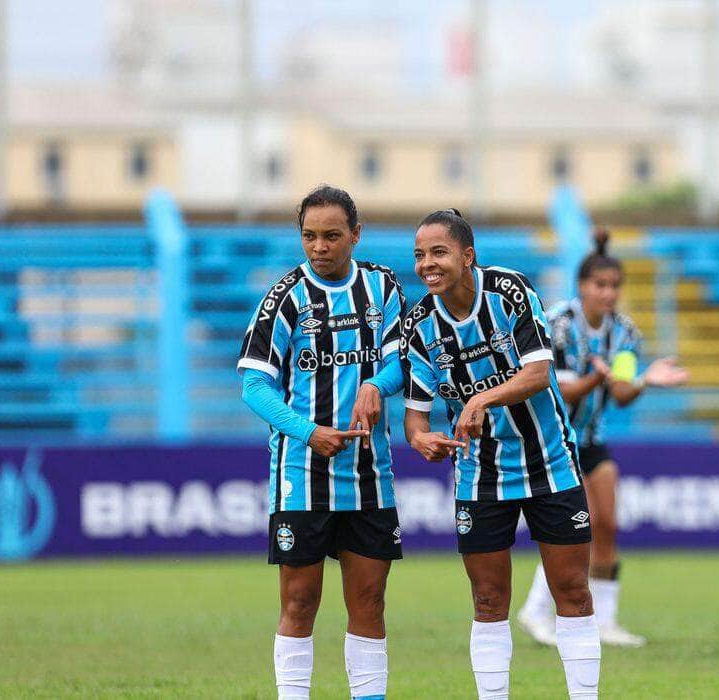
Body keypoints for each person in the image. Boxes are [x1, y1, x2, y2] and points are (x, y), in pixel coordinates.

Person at [402, 208, 601, 700]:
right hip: (478, 473)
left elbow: (538, 371)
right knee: (488, 599)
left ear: (468, 256)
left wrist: (479, 398)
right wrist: (421, 438)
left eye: (439, 252)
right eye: (420, 255)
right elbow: (416, 414)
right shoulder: (419, 322)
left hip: (550, 461)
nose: (427, 263)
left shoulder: (509, 291)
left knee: (572, 592)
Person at [238, 185, 406, 700]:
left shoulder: (382, 287)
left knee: (369, 601)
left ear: (356, 234)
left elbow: (405, 360)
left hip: (368, 473)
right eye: (309, 237)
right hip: (300, 475)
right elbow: (253, 386)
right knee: (300, 602)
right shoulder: (284, 298)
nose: (319, 247)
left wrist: (378, 384)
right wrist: (308, 432)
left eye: (332, 236)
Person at [516, 228, 689, 648]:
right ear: (582, 286)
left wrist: (645, 379)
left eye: (614, 286)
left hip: (591, 438)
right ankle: (537, 611)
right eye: (600, 285)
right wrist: (599, 375)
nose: (608, 294)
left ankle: (606, 621)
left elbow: (623, 392)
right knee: (575, 528)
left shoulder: (625, 333)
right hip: (554, 439)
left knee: (606, 524)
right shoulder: (556, 324)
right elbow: (557, 386)